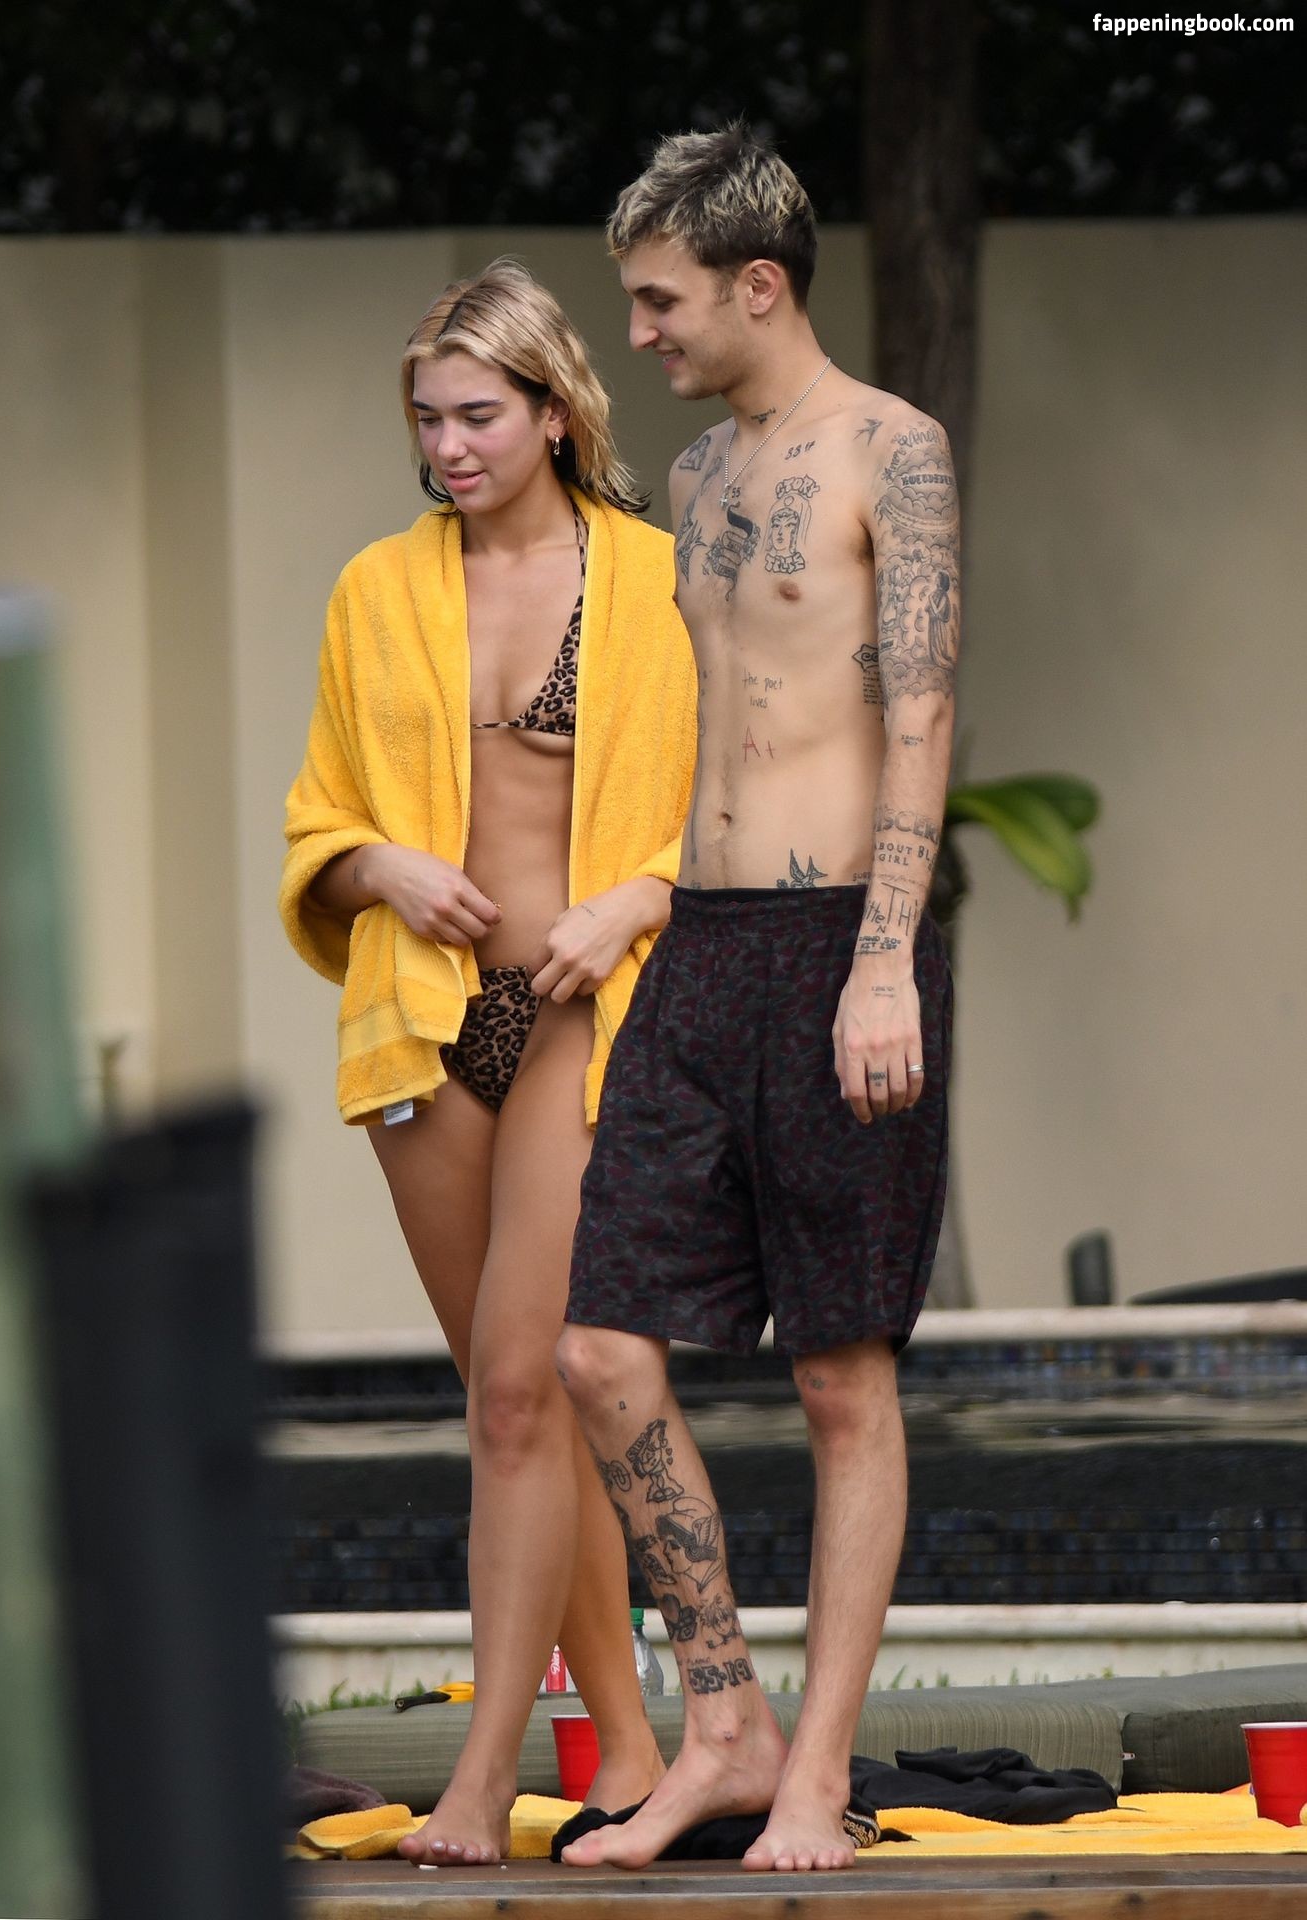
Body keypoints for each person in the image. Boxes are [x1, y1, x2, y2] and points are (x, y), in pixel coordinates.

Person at [555, 128, 957, 1873]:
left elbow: (919, 713)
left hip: (836, 948)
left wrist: (883, 956)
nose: (638, 331)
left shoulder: (893, 450)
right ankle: (724, 1728)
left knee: (840, 1382)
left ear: (758, 285)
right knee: (597, 1348)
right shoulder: (699, 472)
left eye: (660, 301)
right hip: (701, 947)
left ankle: (817, 1775)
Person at [279, 259, 697, 1864]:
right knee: (513, 1406)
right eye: (427, 419)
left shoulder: (657, 578)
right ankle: (628, 1750)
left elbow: (735, 808)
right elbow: (320, 822)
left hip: (583, 1006)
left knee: (526, 1388)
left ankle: (480, 1781)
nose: (447, 447)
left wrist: (636, 899)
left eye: (477, 416)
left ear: (553, 411)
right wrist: (380, 867)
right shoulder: (375, 590)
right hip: (428, 1018)